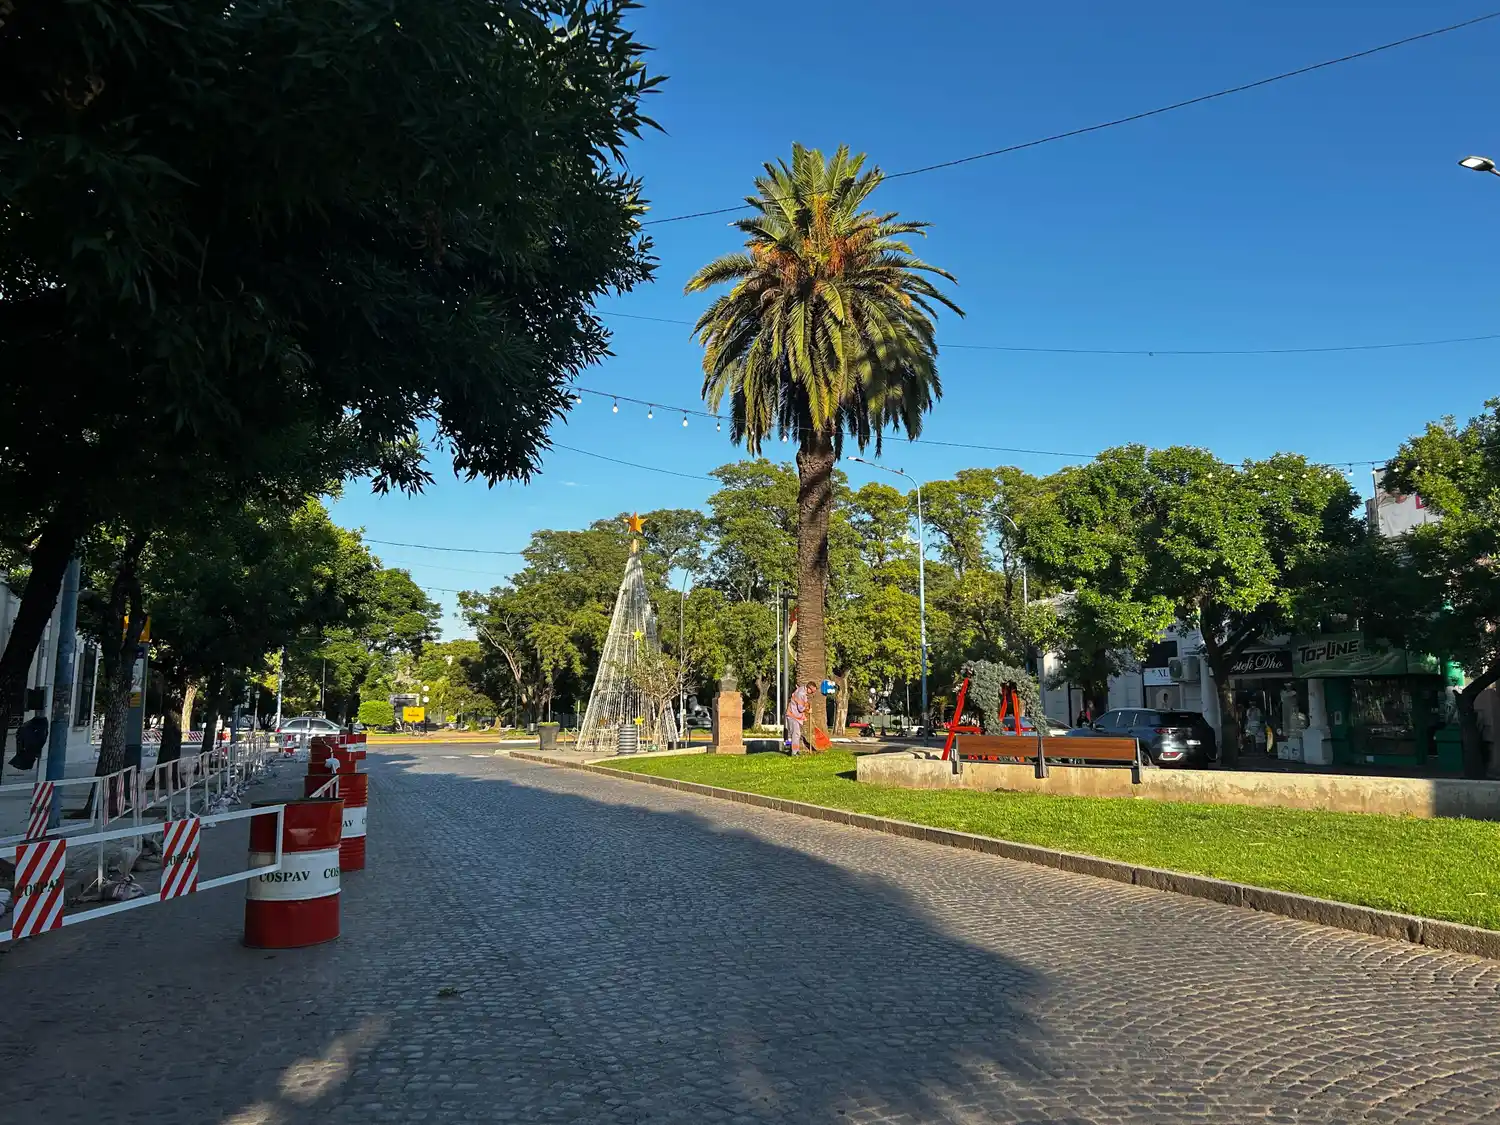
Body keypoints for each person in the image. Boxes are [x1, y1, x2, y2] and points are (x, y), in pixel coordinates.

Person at [785, 681, 809, 754]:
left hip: (794, 716)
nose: (811, 693)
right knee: (795, 735)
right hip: (793, 716)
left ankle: (795, 750)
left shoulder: (801, 690)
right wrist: (807, 710)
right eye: (812, 691)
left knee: (796, 735)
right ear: (809, 688)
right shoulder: (801, 694)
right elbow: (800, 708)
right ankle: (794, 752)